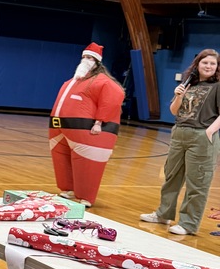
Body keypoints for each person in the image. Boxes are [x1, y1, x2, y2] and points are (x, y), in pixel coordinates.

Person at [140, 48, 220, 236]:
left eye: (213, 63)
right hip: (180, 133)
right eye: (205, 62)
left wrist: (209, 132)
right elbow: (174, 111)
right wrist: (178, 96)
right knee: (171, 177)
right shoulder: (189, 83)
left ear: (217, 67)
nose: (208, 66)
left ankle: (188, 224)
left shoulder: (217, 86)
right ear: (197, 64)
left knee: (197, 183)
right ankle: (163, 214)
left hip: (202, 136)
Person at [48, 42, 125, 207]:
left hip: (87, 131)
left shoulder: (103, 82)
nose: (86, 60)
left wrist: (99, 122)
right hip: (60, 128)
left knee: (88, 163)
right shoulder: (71, 82)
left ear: (97, 62)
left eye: (90, 58)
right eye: (84, 57)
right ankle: (68, 188)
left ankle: (86, 196)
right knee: (62, 160)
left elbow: (113, 99)